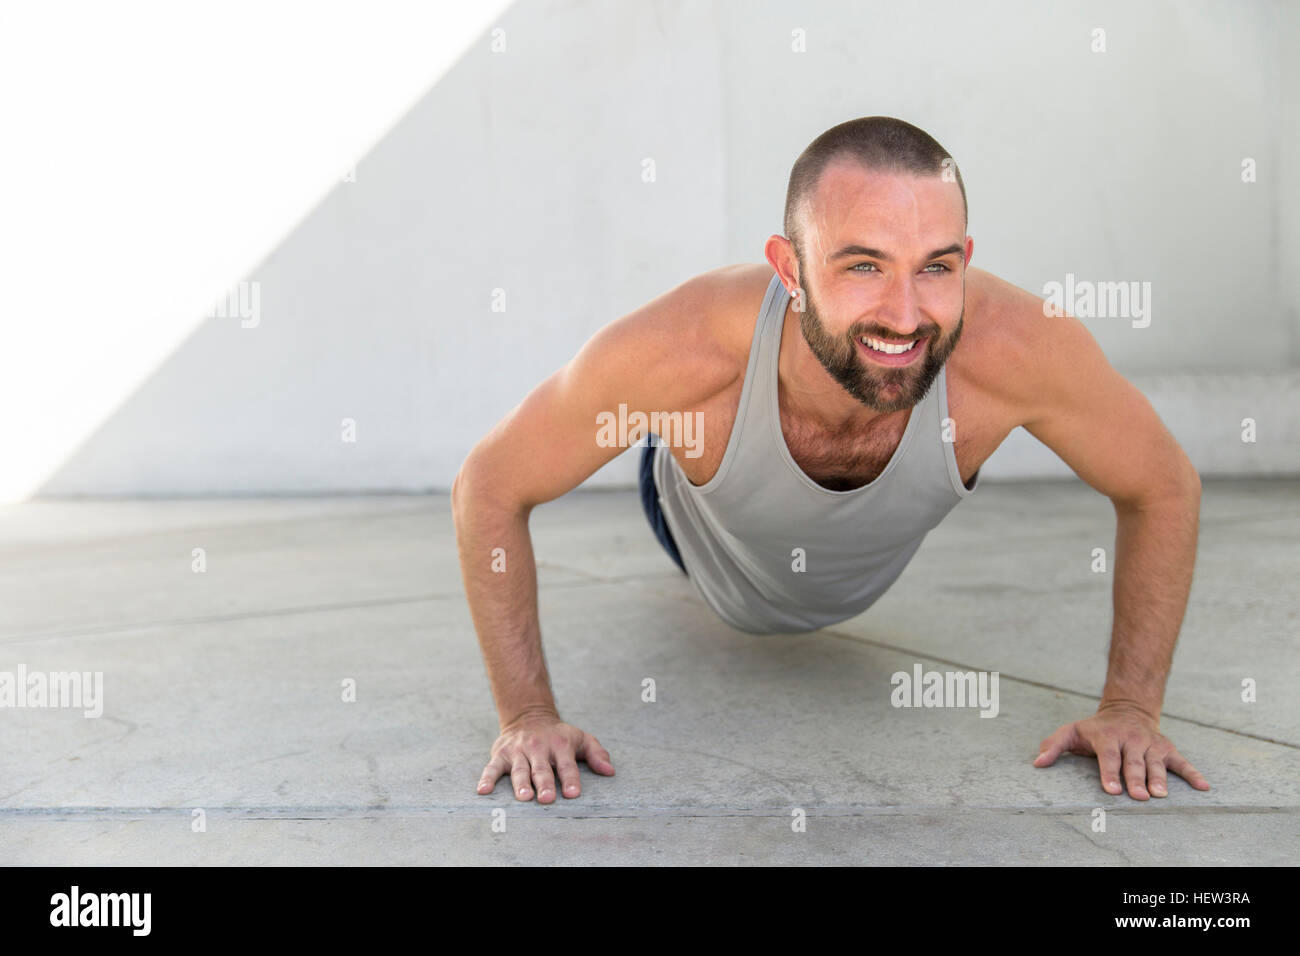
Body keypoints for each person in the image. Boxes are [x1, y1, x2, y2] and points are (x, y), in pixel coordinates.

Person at [452, 116, 1209, 806]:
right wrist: (526, 714)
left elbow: (1163, 486)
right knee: (672, 426)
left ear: (966, 262)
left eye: (937, 267)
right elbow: (489, 484)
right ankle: (673, 454)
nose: (906, 313)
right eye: (863, 266)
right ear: (789, 269)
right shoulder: (679, 353)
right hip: (700, 523)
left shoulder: (1020, 351)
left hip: (855, 552)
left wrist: (1131, 709)